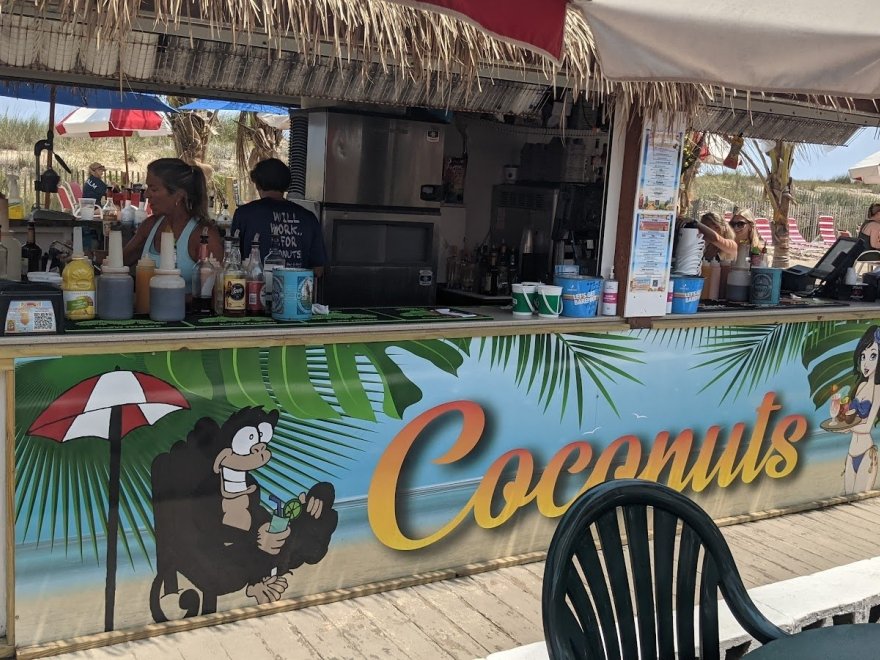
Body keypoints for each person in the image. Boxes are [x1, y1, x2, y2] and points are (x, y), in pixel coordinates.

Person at [123, 158, 223, 292]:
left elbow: (216, 291)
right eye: (147, 188)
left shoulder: (202, 235)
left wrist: (172, 298)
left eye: (153, 189)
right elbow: (119, 261)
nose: (146, 195)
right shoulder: (150, 226)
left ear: (178, 195)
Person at [230, 158, 326, 277]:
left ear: (258, 184)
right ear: (287, 185)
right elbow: (318, 269)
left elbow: (232, 260)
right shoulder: (308, 218)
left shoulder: (244, 214)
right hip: (296, 287)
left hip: (254, 286)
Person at [830, 325, 880, 494]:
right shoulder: (861, 386)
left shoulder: (877, 390)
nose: (866, 362)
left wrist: (847, 427)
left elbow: (867, 427)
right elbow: (852, 418)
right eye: (863, 356)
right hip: (851, 453)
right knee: (847, 498)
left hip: (866, 452)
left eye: (873, 356)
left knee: (858, 498)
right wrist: (841, 425)